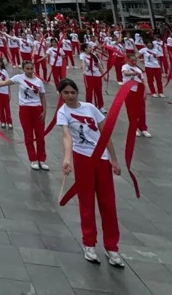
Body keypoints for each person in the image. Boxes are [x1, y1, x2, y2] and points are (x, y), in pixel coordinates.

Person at [56, 78, 125, 268]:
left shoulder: (90, 108)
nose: (70, 96)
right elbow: (66, 136)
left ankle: (112, 247)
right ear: (61, 95)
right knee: (87, 203)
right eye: (66, 93)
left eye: (72, 92)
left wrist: (114, 159)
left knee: (108, 203)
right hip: (83, 159)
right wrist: (67, 158)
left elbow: (105, 135)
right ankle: (89, 244)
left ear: (77, 93)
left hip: (101, 159)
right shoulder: (63, 113)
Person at [0, 60, 48, 170]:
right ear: (23, 69)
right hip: (24, 109)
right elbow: (4, 83)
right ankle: (33, 159)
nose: (29, 71)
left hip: (37, 109)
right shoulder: (19, 78)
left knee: (40, 135)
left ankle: (41, 160)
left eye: (31, 69)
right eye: (27, 69)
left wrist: (44, 111)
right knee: (28, 135)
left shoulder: (38, 81)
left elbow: (42, 96)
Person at [121, 52, 150, 138]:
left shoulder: (139, 69)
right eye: (132, 60)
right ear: (127, 60)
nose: (134, 61)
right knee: (131, 110)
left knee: (141, 109)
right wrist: (133, 73)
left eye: (135, 60)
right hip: (129, 90)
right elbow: (126, 73)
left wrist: (146, 91)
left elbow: (144, 80)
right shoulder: (125, 67)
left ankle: (143, 128)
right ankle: (133, 128)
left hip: (139, 90)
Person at [79, 43, 105, 112]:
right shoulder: (83, 55)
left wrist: (103, 74)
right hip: (88, 75)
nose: (91, 48)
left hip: (97, 75)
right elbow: (83, 62)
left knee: (99, 91)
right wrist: (84, 70)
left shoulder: (94, 55)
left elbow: (98, 65)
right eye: (89, 47)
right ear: (85, 49)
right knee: (89, 92)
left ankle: (100, 106)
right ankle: (88, 106)